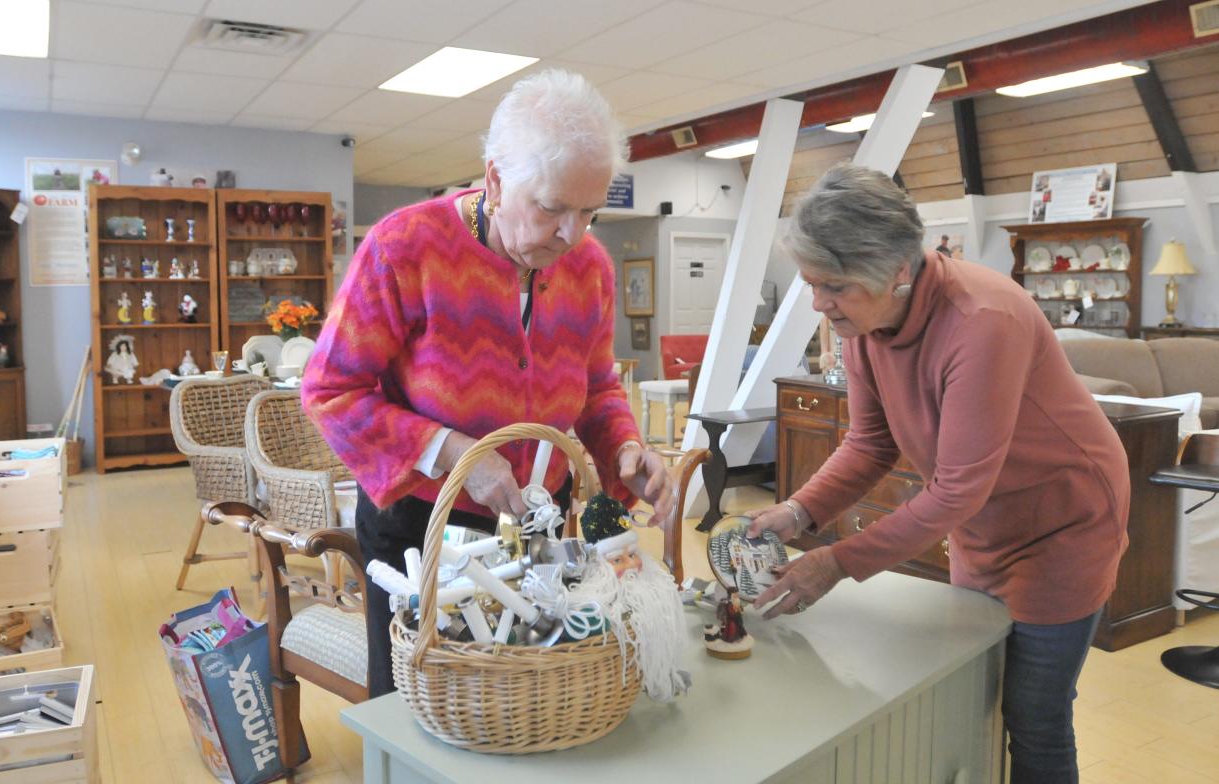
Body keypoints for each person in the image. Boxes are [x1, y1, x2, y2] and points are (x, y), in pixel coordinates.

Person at [748, 162, 1129, 784]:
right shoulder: (863, 323)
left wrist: (834, 561)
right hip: (984, 523)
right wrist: (798, 512)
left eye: (834, 286)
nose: (820, 303)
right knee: (974, 690)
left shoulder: (984, 320)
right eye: (810, 283)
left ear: (899, 271)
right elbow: (870, 444)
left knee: (1035, 715)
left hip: (1064, 524)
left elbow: (955, 489)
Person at [302, 69, 673, 698]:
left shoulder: (590, 268)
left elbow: (599, 389)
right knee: (418, 701)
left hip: (537, 527)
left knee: (518, 696)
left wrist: (625, 450)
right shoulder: (405, 247)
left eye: (590, 211)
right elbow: (332, 391)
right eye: (553, 208)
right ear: (496, 180)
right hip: (419, 529)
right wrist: (457, 458)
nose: (573, 235)